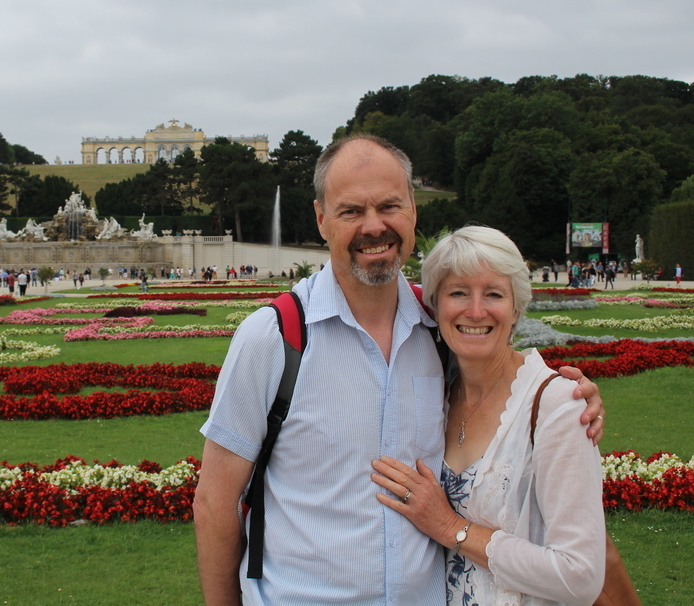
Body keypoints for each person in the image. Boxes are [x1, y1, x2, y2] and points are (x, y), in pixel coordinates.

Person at [193, 135, 604, 605]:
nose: (374, 226)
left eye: (390, 205)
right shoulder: (273, 337)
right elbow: (214, 503)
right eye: (351, 211)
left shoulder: (440, 328)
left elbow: (501, 384)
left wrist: (561, 398)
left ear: (413, 210)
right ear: (321, 218)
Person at [371, 226, 605, 605]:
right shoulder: (436, 391)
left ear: (516, 309)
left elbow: (579, 576)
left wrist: (452, 527)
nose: (475, 311)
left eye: (493, 294)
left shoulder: (557, 407)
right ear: (435, 305)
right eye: (458, 293)